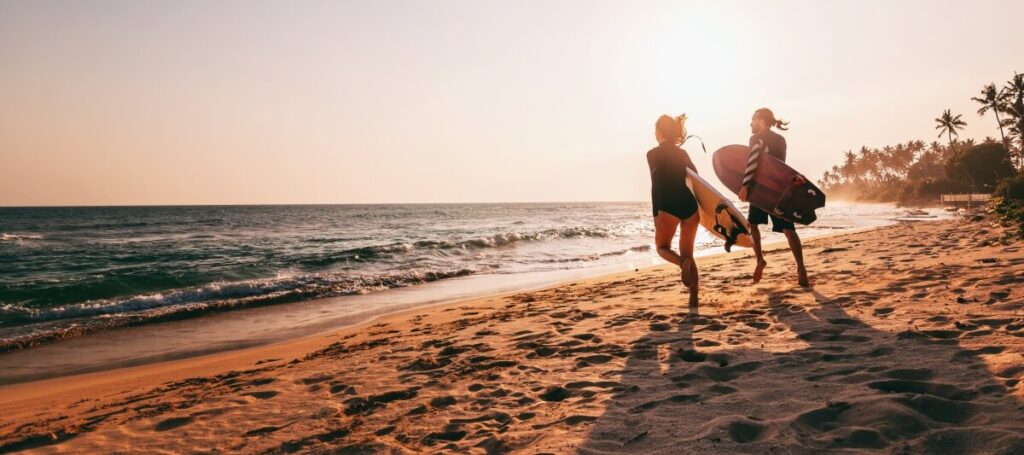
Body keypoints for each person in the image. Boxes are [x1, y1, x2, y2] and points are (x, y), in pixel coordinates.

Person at [738, 108, 810, 287]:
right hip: (779, 190)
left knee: (752, 225)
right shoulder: (780, 139)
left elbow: (753, 162)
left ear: (761, 120)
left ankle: (760, 260)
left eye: (753, 119)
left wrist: (745, 186)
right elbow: (780, 166)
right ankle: (801, 268)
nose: (751, 124)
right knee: (789, 230)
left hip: (761, 190)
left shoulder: (756, 139)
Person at [647, 114, 700, 305]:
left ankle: (681, 264)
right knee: (689, 254)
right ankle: (694, 297)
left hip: (667, 205)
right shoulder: (682, 154)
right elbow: (696, 178)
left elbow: (656, 184)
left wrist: (656, 214)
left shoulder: (652, 154)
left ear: (659, 132)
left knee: (662, 248)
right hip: (689, 205)